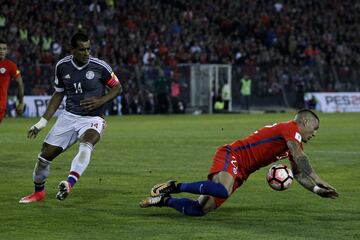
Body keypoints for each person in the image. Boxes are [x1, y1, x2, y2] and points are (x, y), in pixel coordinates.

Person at [140, 109, 339, 216]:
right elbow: (299, 157)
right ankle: (174, 186)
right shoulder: (289, 128)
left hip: (242, 172)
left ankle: (163, 201)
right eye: (314, 128)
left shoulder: (295, 143)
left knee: (199, 210)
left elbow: (297, 174)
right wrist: (318, 178)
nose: (314, 133)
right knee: (222, 190)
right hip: (232, 154)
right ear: (304, 122)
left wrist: (316, 190)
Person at [19, 32, 122, 203]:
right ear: (72, 49)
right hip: (69, 116)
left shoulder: (100, 66)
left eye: (88, 49)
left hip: (93, 118)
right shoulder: (62, 66)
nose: (86, 53)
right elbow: (58, 95)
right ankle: (38, 193)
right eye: (82, 50)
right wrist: (41, 122)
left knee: (87, 144)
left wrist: (101, 100)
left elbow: (117, 88)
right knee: (44, 157)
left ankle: (69, 183)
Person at [0, 39, 24, 123]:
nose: (1, 51)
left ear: (7, 51)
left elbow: (20, 83)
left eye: (4, 49)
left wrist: (21, 103)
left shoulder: (11, 66)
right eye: (0, 48)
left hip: (1, 104)